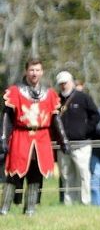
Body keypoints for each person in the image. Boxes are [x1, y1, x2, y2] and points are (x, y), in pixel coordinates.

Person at [0, 58, 69, 216]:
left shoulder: (49, 94)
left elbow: (55, 118)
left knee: (36, 174)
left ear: (42, 72)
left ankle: (30, 209)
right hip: (21, 136)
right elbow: (7, 116)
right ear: (26, 71)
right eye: (31, 70)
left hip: (41, 138)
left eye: (37, 70)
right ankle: (4, 209)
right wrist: (3, 138)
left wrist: (63, 139)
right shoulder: (16, 91)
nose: (34, 73)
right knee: (14, 173)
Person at [55, 71, 100, 205]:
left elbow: (95, 116)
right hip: (63, 144)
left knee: (83, 173)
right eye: (61, 84)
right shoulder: (56, 100)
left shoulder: (83, 97)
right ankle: (69, 202)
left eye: (66, 83)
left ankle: (85, 201)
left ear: (72, 82)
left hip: (82, 144)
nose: (64, 86)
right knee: (66, 174)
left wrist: (85, 131)